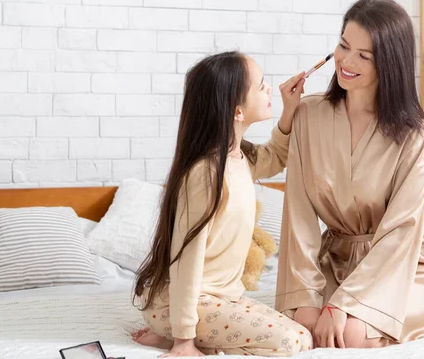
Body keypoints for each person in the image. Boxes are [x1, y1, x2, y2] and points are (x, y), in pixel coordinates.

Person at [275, 0, 424, 349]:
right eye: (343, 45)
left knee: (351, 335)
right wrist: (308, 294)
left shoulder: (413, 132)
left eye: (364, 55)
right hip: (338, 259)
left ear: (389, 64)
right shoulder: (309, 115)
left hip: (406, 261)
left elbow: (402, 229)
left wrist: (344, 303)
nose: (346, 60)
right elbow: (298, 215)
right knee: (305, 326)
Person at [130, 51, 312, 357]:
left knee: (303, 336)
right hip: (185, 304)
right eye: (261, 86)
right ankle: (175, 334)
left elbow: (277, 157)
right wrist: (183, 340)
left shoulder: (241, 158)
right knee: (289, 343)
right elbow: (185, 258)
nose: (269, 89)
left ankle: (175, 335)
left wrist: (289, 109)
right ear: (238, 111)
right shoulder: (205, 174)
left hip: (222, 299)